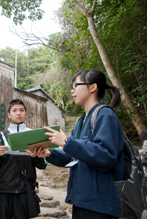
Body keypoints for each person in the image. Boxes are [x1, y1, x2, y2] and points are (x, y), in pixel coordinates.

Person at [37, 69, 124, 219]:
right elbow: (73, 158)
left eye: (76, 85)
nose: (72, 90)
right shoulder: (80, 121)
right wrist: (49, 153)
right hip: (81, 200)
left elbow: (106, 156)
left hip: (100, 204)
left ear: (92, 87)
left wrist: (65, 141)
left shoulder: (105, 115)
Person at [0, 99, 47, 219]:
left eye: (21, 110)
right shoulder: (0, 137)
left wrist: (36, 156)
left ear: (26, 114)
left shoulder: (34, 135)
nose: (19, 113)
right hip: (3, 189)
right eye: (14, 110)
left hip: (24, 189)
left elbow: (42, 165)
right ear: (9, 115)